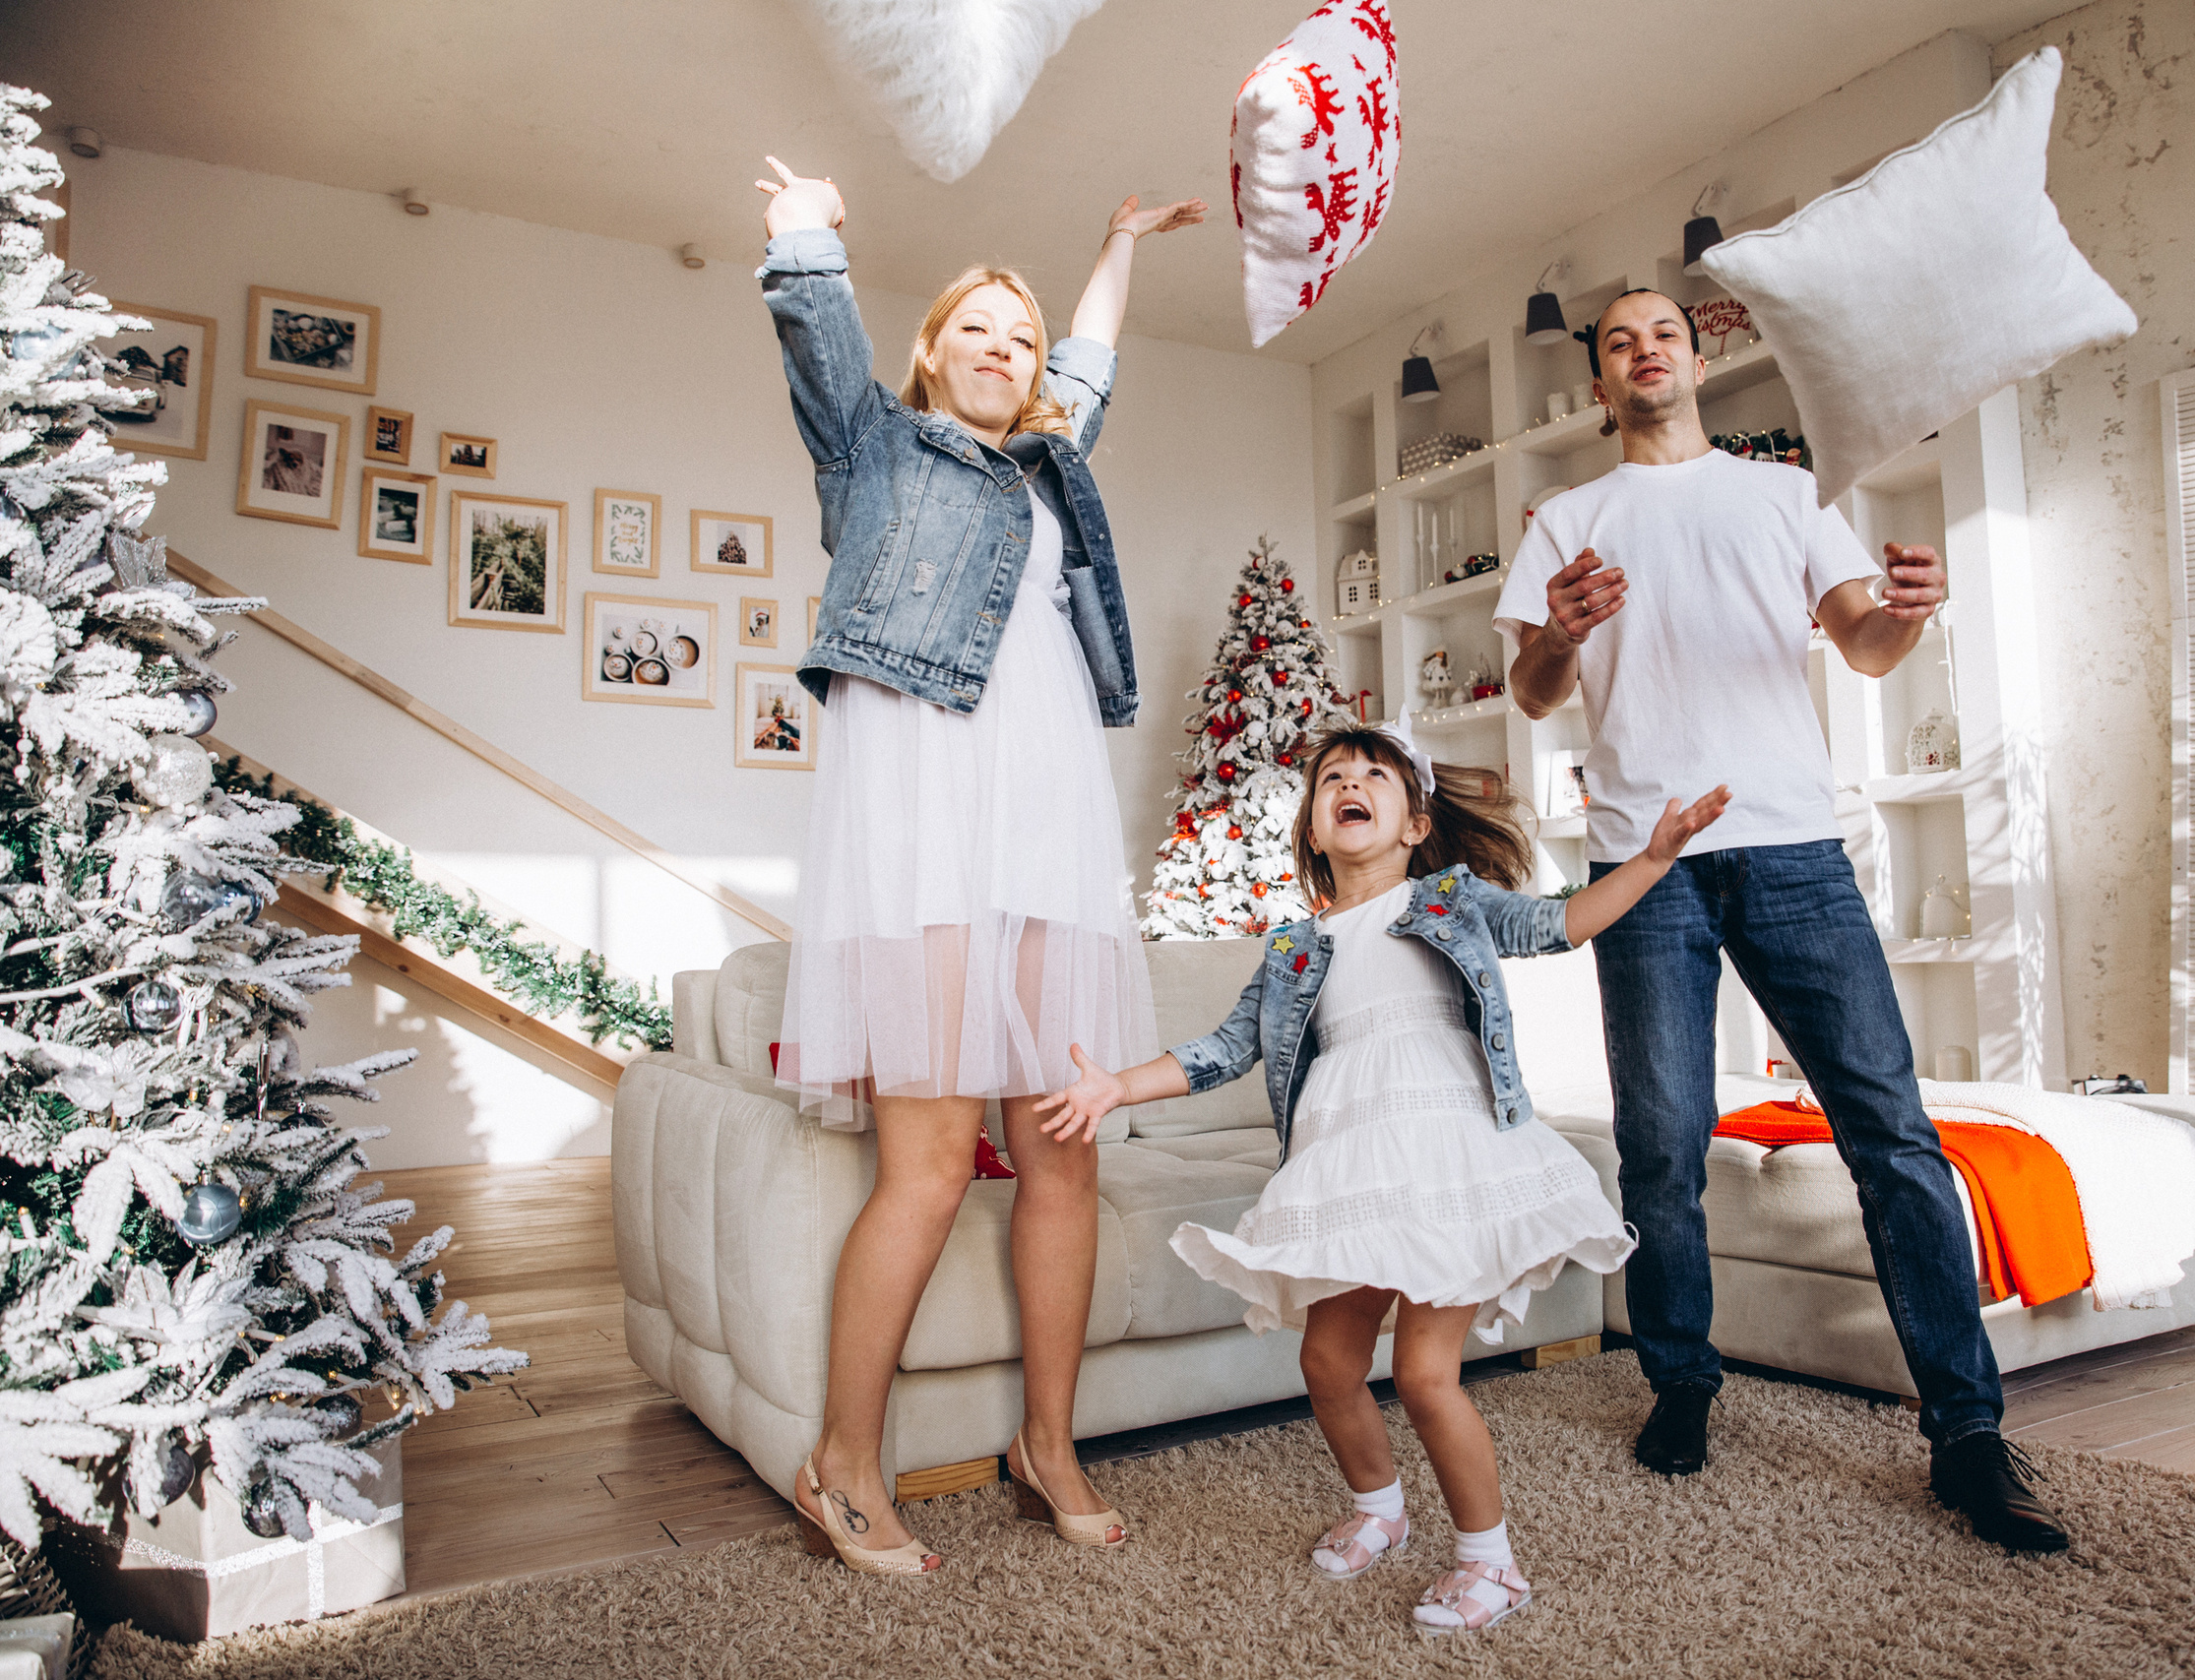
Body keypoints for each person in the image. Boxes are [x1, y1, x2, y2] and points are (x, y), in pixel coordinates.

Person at [1494, 288, 2069, 1553]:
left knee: (1892, 1134)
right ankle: (1683, 1384)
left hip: (1795, 853)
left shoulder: (1785, 494)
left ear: (1696, 361)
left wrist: (1904, 613)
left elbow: (1859, 643)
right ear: (1599, 383)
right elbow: (1537, 693)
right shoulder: (1566, 520)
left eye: (1661, 334)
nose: (1642, 351)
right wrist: (1558, 636)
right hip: (1648, 866)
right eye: (1617, 343)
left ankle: (1967, 1432)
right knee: (1660, 1142)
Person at [753, 155, 1206, 1574]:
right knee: (934, 1163)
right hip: (926, 847)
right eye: (977, 330)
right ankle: (841, 1458)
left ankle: (1046, 1442)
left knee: (1063, 1155)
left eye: (1021, 336)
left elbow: (1092, 361)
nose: (1006, 351)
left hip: (1049, 840)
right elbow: (818, 348)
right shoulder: (874, 451)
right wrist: (807, 232)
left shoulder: (1054, 466)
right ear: (932, 354)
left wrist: (1118, 235)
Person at [1037, 721, 1728, 1630]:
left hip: (1450, 1156)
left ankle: (1492, 1563)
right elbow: (1224, 1048)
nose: (1349, 783)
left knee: (1423, 1372)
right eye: (1331, 778)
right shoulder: (1294, 950)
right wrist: (1117, 1084)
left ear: (1413, 824)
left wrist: (1648, 861)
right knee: (1326, 1361)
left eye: (1373, 774)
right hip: (1350, 1164)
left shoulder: (1451, 899)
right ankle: (1379, 1504)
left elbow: (1558, 921)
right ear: (1317, 830)